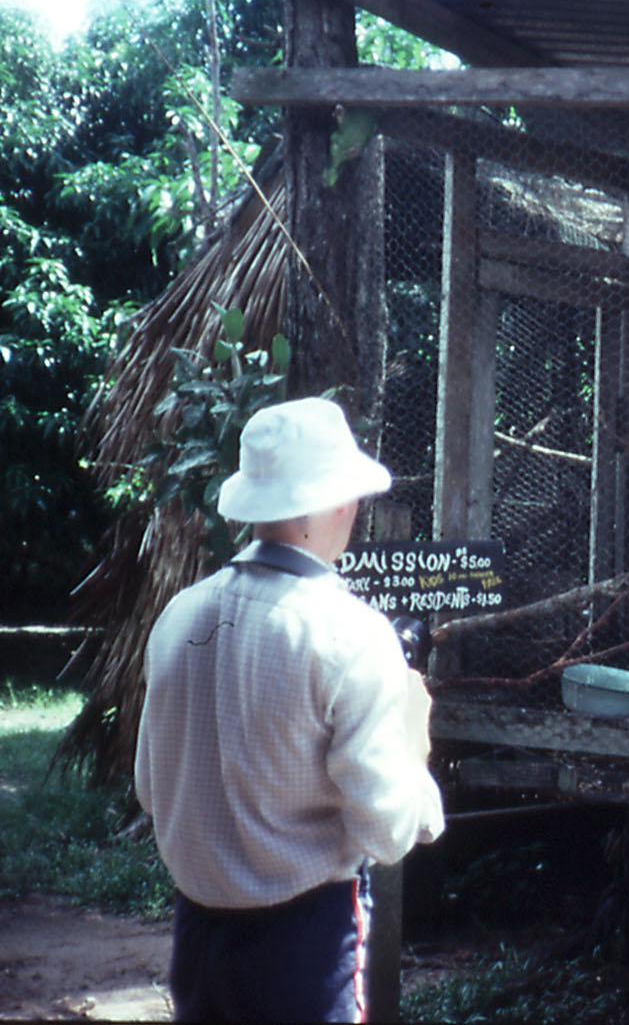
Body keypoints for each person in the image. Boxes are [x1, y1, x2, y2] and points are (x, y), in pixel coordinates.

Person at [135, 396, 444, 1023]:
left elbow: (149, 787)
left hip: (197, 940)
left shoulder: (178, 616)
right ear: (340, 501)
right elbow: (387, 833)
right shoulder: (352, 635)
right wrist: (414, 737)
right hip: (305, 946)